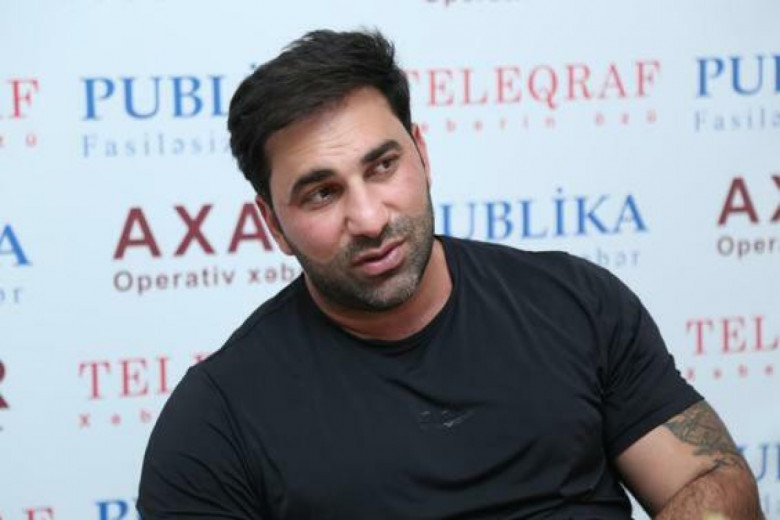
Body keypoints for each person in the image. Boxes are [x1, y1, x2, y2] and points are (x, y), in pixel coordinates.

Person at [137, 30, 762, 519]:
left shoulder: (576, 304)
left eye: (383, 166)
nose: (369, 218)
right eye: (322, 193)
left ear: (422, 154)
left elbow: (714, 478)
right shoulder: (215, 421)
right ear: (273, 224)